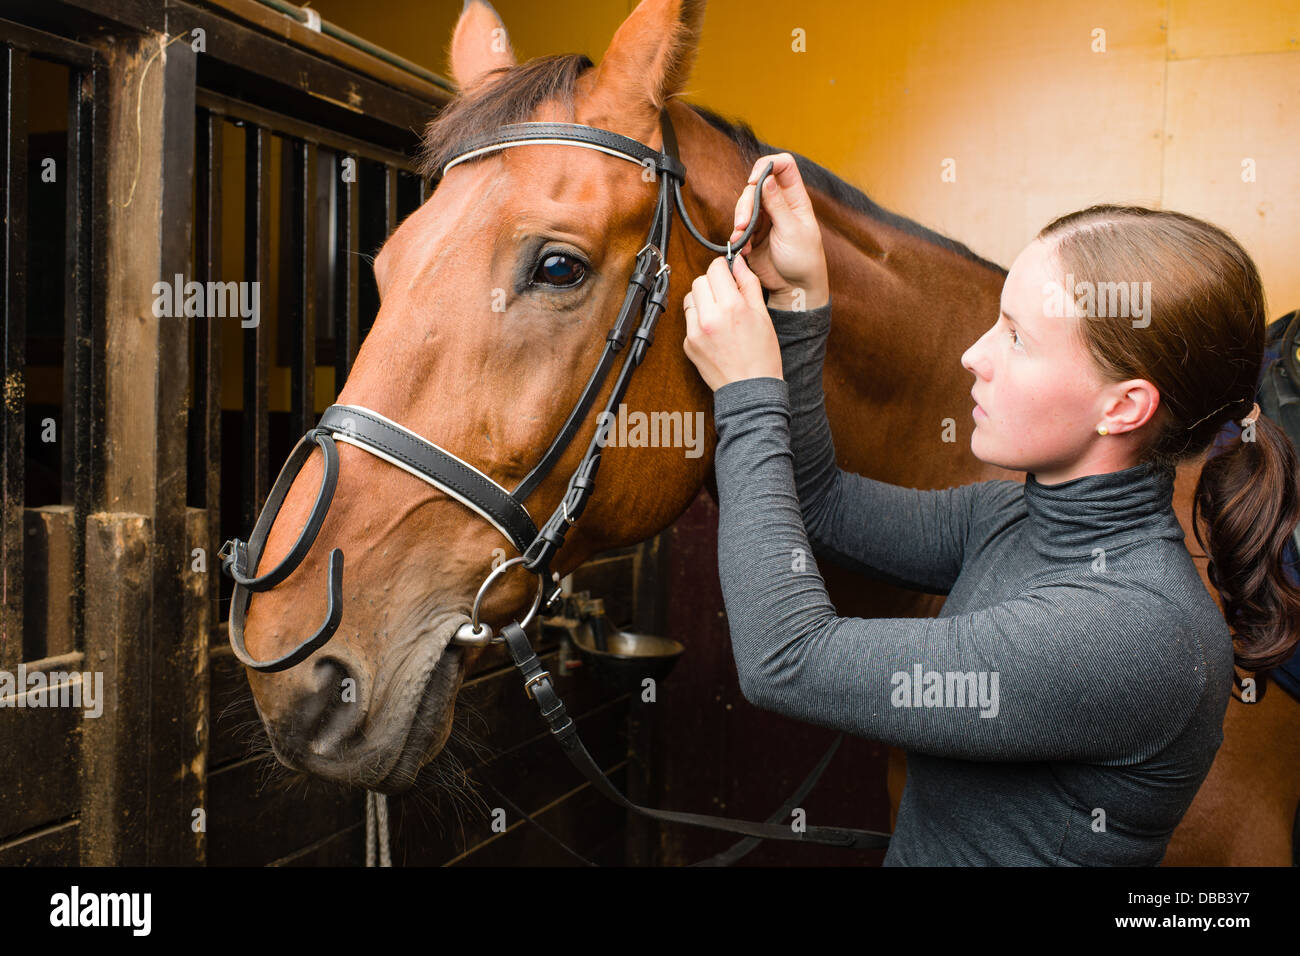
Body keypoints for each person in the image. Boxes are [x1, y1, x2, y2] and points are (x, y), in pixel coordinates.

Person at [681, 154, 1300, 865]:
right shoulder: (1012, 519)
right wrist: (801, 301)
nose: (975, 355)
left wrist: (748, 392)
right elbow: (819, 502)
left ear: (1124, 406)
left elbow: (783, 659)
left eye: (1017, 338)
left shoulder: (1131, 633)